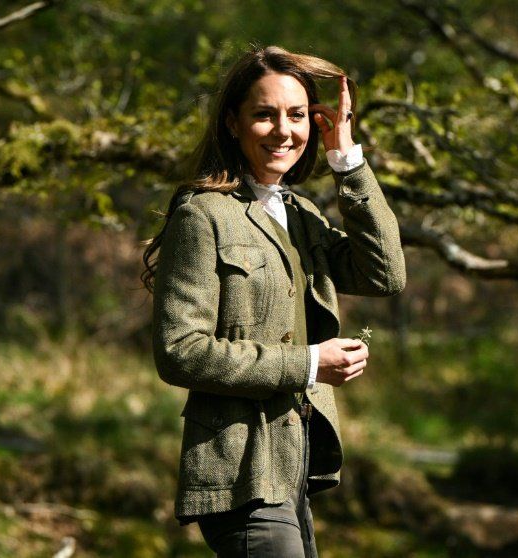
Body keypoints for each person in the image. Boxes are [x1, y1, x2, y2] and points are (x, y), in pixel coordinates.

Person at [142, 45, 405, 557]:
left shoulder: (302, 215)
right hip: (239, 474)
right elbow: (179, 350)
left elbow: (385, 273)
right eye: (264, 114)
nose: (283, 131)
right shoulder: (203, 215)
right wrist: (309, 363)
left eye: (297, 115)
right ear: (233, 123)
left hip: (294, 472)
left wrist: (347, 160)